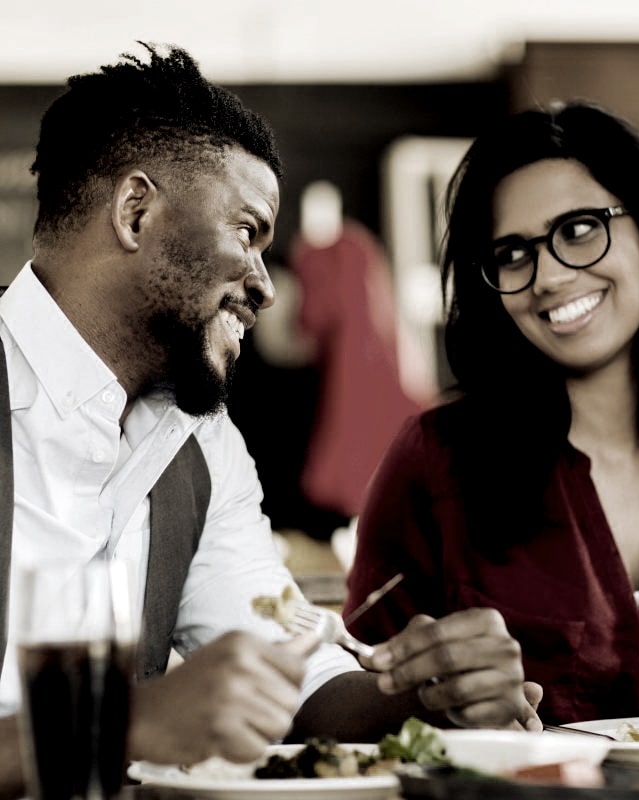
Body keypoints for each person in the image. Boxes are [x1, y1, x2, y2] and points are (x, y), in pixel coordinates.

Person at [0, 42, 542, 798]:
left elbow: (301, 678)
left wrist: (422, 691)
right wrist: (126, 721)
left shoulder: (203, 446)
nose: (267, 285)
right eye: (248, 233)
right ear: (136, 211)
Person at [344, 100, 639, 726]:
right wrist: (434, 703)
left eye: (580, 229)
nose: (549, 276)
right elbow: (355, 687)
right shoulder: (435, 459)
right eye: (512, 254)